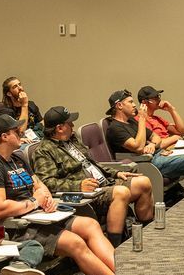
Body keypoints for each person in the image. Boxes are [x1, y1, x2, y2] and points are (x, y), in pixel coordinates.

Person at [0, 113, 116, 275]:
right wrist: (35, 202)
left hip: (40, 216)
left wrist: (47, 199)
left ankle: (120, 274)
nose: (22, 134)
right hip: (18, 227)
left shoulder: (16, 159)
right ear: (4, 136)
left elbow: (39, 185)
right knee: (75, 243)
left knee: (90, 225)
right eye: (17, 132)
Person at [30, 105, 155, 244]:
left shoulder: (72, 140)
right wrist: (78, 185)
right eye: (69, 122)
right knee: (121, 192)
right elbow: (47, 183)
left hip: (103, 184)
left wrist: (116, 173)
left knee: (143, 182)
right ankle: (115, 245)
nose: (73, 125)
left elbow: (93, 163)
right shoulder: (44, 151)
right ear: (59, 128)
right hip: (83, 196)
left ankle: (148, 233)